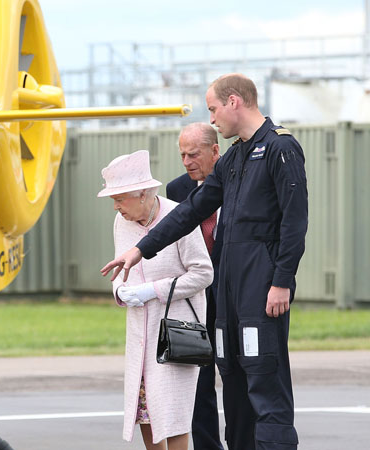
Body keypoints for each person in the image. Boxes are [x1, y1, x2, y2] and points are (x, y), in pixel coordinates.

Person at [102, 74, 308, 450]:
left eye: (213, 109)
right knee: (233, 381)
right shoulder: (235, 158)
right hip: (228, 291)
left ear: (234, 102)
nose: (212, 119)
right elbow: (190, 212)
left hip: (261, 288)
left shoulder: (281, 148)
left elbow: (295, 222)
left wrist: (282, 280)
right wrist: (141, 249)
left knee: (264, 379)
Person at [97, 150, 213, 450]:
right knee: (146, 415)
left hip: (175, 334)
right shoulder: (122, 223)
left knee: (173, 416)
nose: (115, 206)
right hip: (140, 336)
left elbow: (203, 274)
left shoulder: (179, 217)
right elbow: (121, 269)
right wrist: (120, 291)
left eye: (120, 198)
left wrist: (153, 291)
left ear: (144, 193)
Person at [166, 122, 224, 450]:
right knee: (198, 385)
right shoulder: (176, 191)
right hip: (194, 303)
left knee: (237, 380)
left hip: (231, 297)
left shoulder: (237, 185)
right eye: (182, 155)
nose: (187, 162)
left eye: (193, 154)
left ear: (215, 151)